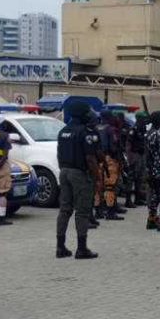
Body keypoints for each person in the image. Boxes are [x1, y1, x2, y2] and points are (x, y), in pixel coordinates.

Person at [55, 101, 101, 259]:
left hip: (64, 172)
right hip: (80, 174)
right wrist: (97, 177)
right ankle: (82, 249)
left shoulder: (63, 131)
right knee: (82, 211)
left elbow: (59, 154)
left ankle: (60, 247)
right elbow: (90, 158)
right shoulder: (85, 132)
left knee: (64, 210)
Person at [95, 111, 124, 221]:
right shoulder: (111, 129)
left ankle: (98, 211)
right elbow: (113, 146)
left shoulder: (96, 128)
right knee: (110, 186)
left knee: (98, 185)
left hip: (98, 159)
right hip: (109, 159)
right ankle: (110, 211)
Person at [126, 111, 149, 207]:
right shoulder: (133, 129)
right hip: (134, 155)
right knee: (131, 178)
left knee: (140, 178)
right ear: (139, 119)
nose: (145, 121)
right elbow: (128, 144)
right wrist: (130, 158)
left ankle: (138, 199)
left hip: (141, 155)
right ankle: (128, 200)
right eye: (143, 119)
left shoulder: (143, 129)